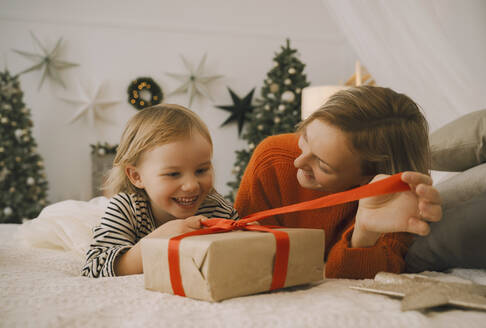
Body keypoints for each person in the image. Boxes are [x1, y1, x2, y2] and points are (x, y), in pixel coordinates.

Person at [234, 86, 442, 279]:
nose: (298, 162)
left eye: (323, 166)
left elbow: (345, 275)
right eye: (305, 138)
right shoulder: (272, 157)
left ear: (367, 178)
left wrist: (364, 233)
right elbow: (236, 249)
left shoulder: (393, 196)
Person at [82, 104, 238, 278]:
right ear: (136, 176)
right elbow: (93, 269)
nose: (192, 186)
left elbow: (242, 252)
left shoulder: (215, 207)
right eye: (173, 174)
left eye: (201, 170)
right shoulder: (126, 208)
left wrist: (252, 237)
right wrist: (155, 242)